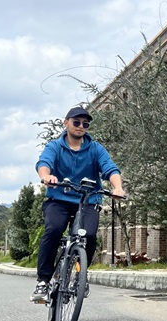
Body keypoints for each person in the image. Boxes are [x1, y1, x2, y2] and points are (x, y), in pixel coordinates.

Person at [30, 106, 126, 302]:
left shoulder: (95, 148)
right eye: (76, 122)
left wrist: (117, 188)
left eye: (85, 124)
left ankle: (80, 275)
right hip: (59, 200)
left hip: (87, 201)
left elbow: (110, 168)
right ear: (66, 123)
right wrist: (46, 176)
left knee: (89, 236)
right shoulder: (55, 147)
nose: (81, 126)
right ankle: (43, 281)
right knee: (54, 229)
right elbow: (43, 163)